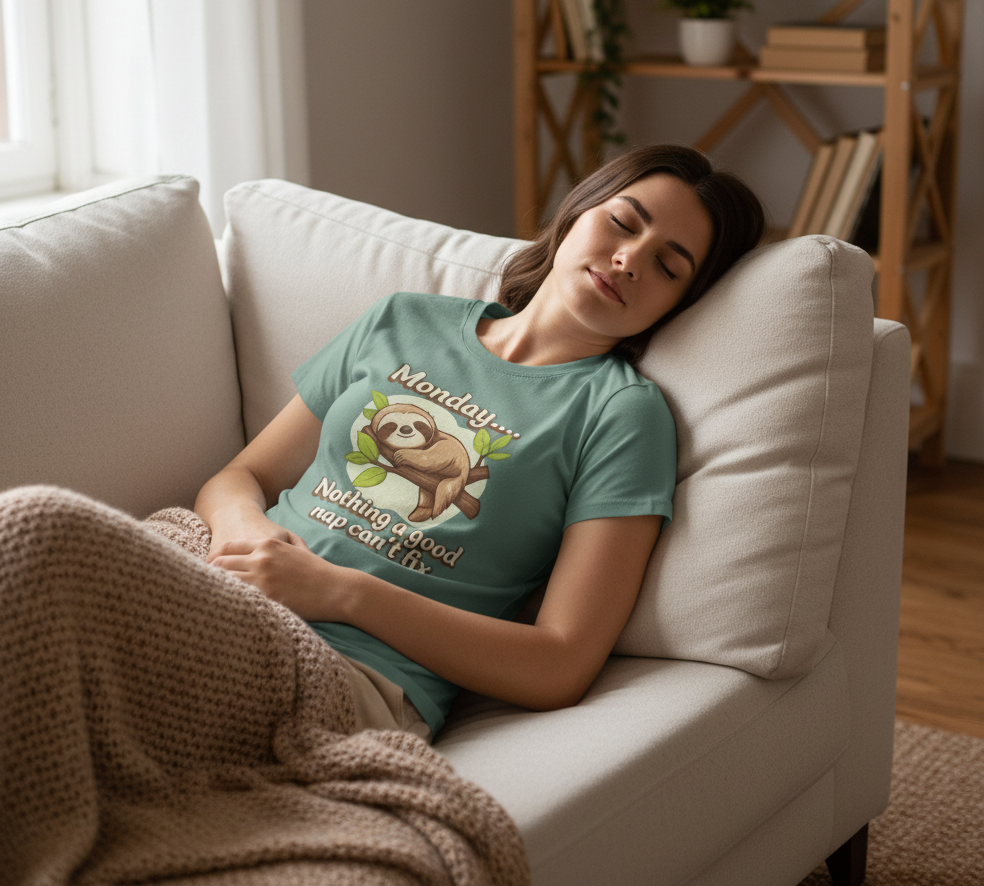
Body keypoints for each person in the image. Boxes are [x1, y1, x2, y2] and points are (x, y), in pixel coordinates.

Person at [195, 143, 767, 743]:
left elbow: (560, 664)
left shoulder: (623, 415)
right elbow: (241, 478)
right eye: (622, 223)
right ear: (577, 213)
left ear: (681, 304)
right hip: (223, 579)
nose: (628, 260)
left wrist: (338, 591)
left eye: (668, 268)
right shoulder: (403, 319)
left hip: (349, 673)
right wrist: (247, 533)